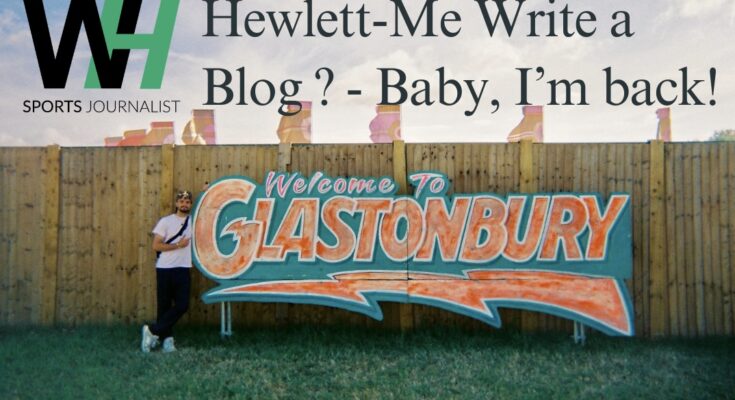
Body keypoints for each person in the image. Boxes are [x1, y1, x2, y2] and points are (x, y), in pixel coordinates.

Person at [141, 190, 193, 353]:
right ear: (176, 204)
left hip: (183, 268)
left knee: (182, 305)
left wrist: (207, 191)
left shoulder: (194, 221)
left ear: (191, 205)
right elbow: (156, 245)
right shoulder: (166, 221)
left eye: (187, 202)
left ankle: (152, 331)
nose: (184, 204)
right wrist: (178, 245)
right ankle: (167, 340)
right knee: (164, 306)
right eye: (181, 201)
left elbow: (209, 209)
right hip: (164, 269)